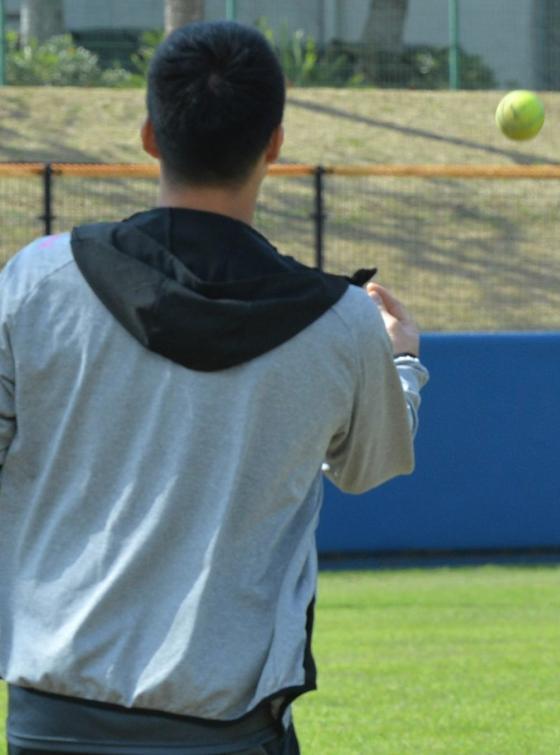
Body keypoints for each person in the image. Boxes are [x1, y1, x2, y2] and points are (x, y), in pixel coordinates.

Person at [0, 21, 428, 755]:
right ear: (274, 145)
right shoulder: (342, 321)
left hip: (52, 717)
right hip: (228, 725)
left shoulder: (36, 279)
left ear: (148, 136)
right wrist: (402, 365)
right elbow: (369, 466)